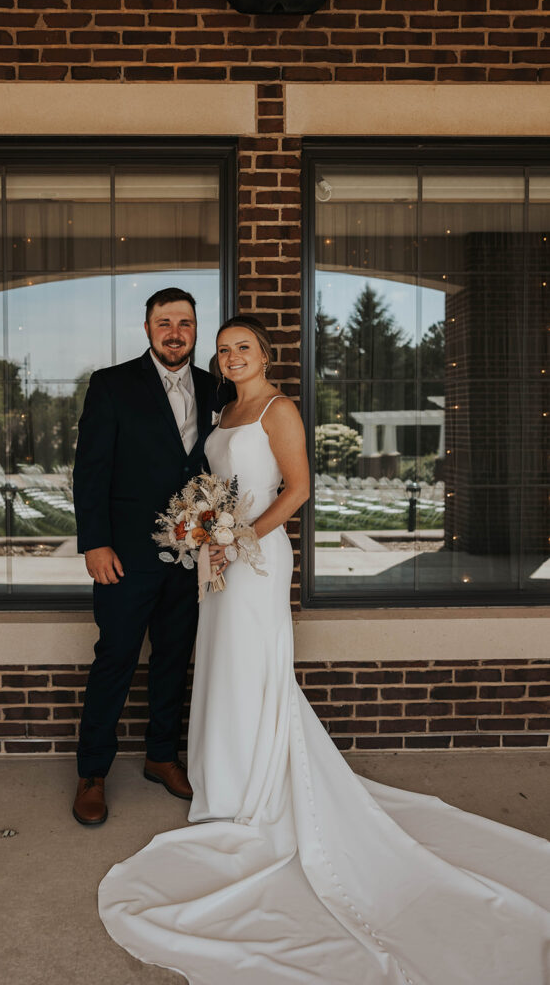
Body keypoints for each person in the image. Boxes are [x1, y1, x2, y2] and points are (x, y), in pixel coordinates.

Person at [97, 313, 550, 983]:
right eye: (222, 351)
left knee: (253, 667)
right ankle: (224, 787)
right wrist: (203, 530)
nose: (229, 357)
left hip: (253, 559)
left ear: (264, 353)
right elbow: (210, 490)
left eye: (241, 347)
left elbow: (298, 490)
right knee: (220, 668)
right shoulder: (223, 414)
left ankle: (257, 796)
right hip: (217, 561)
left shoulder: (279, 410)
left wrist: (235, 535)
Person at [71, 286, 216, 826]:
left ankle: (161, 756)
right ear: (149, 328)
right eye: (164, 322)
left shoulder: (213, 387)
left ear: (195, 329)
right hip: (124, 556)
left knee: (174, 661)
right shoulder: (111, 385)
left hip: (190, 556)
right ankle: (92, 772)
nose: (175, 331)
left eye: (184, 322)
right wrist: (95, 542)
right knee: (115, 660)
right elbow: (90, 472)